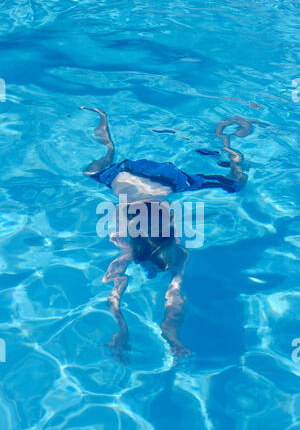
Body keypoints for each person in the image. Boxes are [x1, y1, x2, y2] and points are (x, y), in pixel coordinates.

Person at [81, 106, 264, 361]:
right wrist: (127, 329)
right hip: (120, 175)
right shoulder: (127, 244)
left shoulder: (175, 249)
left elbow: (174, 296)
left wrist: (167, 336)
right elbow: (118, 290)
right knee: (95, 167)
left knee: (236, 184)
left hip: (169, 180)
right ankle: (105, 128)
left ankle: (228, 139)